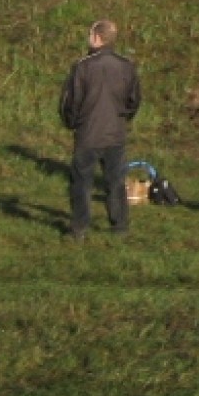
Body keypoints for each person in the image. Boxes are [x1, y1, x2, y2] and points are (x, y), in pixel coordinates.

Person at [59, 19, 142, 240]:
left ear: (97, 38)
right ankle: (120, 226)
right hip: (115, 133)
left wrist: (72, 123)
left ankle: (79, 228)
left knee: (81, 182)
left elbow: (70, 102)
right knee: (115, 181)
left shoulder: (83, 67)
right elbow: (134, 100)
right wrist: (123, 118)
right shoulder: (127, 66)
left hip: (88, 133)